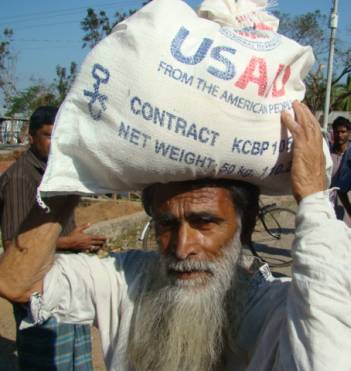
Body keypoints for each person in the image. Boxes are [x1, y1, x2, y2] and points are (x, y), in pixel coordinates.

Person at [0, 101, 350, 371]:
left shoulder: (274, 309)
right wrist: (73, 174)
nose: (182, 248)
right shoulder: (128, 280)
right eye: (167, 224)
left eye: (205, 222)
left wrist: (314, 201)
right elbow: (17, 283)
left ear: (247, 220)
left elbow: (327, 353)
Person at [0, 106, 106, 370]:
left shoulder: (55, 173)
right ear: (30, 137)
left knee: (73, 356)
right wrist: (71, 242)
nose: (54, 142)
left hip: (65, 281)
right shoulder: (21, 179)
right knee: (45, 360)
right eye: (48, 135)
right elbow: (14, 245)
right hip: (38, 287)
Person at [329, 116, 351, 227]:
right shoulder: (327, 155)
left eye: (343, 132)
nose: (340, 135)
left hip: (347, 211)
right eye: (337, 132)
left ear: (349, 132)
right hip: (329, 209)